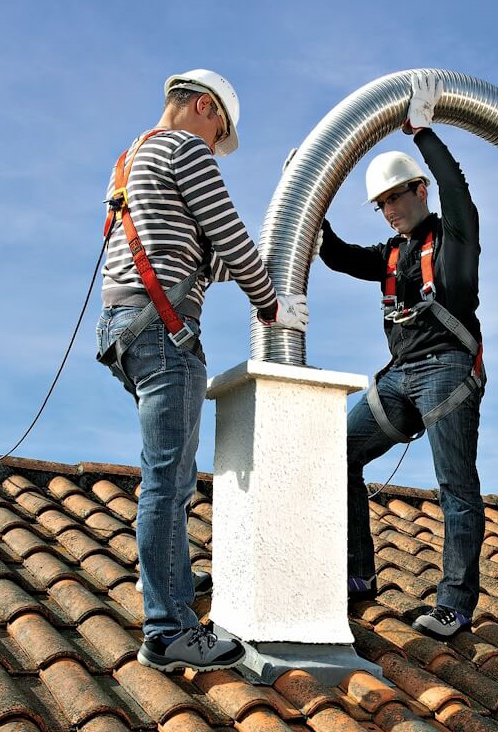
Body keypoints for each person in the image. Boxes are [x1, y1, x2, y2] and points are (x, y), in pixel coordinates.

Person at [97, 69, 308, 671]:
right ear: (202, 106)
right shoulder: (186, 149)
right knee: (169, 481)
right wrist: (271, 301)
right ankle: (167, 630)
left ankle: (169, 580)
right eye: (221, 131)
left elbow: (202, 254)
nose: (218, 146)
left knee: (167, 472)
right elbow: (231, 237)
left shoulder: (130, 158)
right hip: (163, 331)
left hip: (123, 329)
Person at [319, 73, 485, 640]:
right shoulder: (391, 253)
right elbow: (337, 256)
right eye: (381, 203)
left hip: (448, 374)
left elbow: (456, 187)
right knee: (335, 453)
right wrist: (309, 197)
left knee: (454, 486)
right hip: (399, 380)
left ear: (419, 191)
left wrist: (423, 133)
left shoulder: (455, 237)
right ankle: (358, 576)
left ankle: (455, 605)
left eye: (395, 197)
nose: (389, 209)